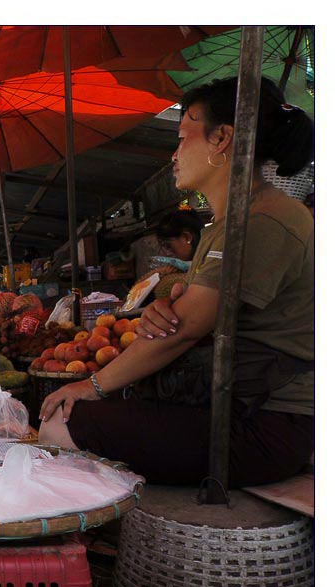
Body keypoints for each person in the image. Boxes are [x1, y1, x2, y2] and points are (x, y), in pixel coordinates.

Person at [39, 76, 314, 489]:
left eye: (184, 138)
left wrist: (92, 385)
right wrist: (161, 311)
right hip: (236, 404)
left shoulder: (261, 221)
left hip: (265, 424)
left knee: (61, 423)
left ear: (222, 138)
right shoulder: (228, 223)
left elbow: (182, 331)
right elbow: (186, 318)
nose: (175, 154)